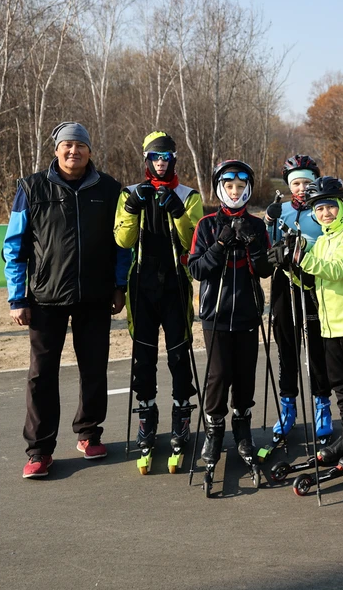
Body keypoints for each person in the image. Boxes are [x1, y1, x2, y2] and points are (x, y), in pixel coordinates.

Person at [4, 121, 130, 478]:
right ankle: (40, 450)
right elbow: (15, 246)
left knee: (94, 368)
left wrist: (119, 285)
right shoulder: (31, 187)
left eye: (80, 146)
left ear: (90, 151)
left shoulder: (109, 189)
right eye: (67, 146)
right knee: (41, 374)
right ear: (56, 150)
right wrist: (18, 297)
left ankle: (89, 433)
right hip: (45, 298)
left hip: (95, 296)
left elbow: (122, 244)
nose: (73, 152)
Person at [113, 131, 204, 470]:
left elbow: (192, 240)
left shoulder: (188, 194)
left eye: (166, 156)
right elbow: (123, 240)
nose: (161, 162)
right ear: (146, 159)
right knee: (143, 354)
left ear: (174, 158)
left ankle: (181, 418)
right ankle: (146, 420)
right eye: (155, 157)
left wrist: (178, 210)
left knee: (180, 353)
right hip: (142, 285)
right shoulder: (130, 193)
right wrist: (133, 208)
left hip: (176, 284)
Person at [282, 176, 343, 468]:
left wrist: (301, 259)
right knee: (340, 385)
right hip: (329, 326)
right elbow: (312, 281)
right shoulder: (322, 241)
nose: (325, 213)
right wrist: (290, 268)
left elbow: (337, 270)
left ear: (342, 206)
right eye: (320, 209)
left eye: (330, 207)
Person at [187, 160, 272, 467]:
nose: (234, 192)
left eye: (240, 186)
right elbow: (197, 269)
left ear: (247, 189)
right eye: (228, 186)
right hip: (216, 314)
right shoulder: (207, 225)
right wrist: (220, 244)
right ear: (220, 188)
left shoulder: (258, 225)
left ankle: (243, 430)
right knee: (218, 375)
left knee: (245, 374)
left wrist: (255, 246)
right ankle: (213, 432)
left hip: (248, 313)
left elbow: (264, 271)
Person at [263, 155, 333, 446]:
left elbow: (332, 241)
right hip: (284, 282)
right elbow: (267, 250)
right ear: (288, 185)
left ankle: (322, 406)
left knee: (316, 348)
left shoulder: (322, 209)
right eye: (296, 183)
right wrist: (268, 223)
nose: (302, 187)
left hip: (314, 282)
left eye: (307, 182)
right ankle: (288, 407)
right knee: (286, 347)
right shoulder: (279, 210)